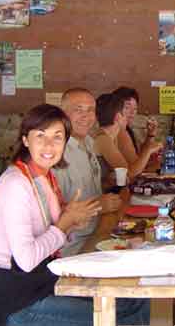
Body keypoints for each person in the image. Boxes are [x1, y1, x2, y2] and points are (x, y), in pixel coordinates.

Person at [0, 104, 148, 325]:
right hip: (18, 299)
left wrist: (73, 221)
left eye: (57, 137)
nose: (49, 145)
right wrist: (64, 225)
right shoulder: (15, 184)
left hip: (43, 281)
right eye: (40, 136)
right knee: (119, 315)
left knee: (137, 298)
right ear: (25, 140)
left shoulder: (44, 177)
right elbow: (26, 260)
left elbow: (53, 233)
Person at [52, 88, 123, 256]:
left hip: (98, 231)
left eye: (91, 110)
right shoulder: (56, 153)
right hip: (73, 247)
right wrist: (98, 206)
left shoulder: (89, 142)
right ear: (63, 114)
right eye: (78, 110)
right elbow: (51, 214)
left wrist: (106, 183)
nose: (86, 116)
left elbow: (86, 187)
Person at [93, 93, 162, 186]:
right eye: (126, 112)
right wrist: (148, 150)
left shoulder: (111, 136)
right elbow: (128, 173)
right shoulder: (103, 139)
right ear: (118, 117)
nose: (131, 115)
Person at [112, 86, 158, 164]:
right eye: (127, 107)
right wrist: (149, 151)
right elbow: (134, 167)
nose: (132, 112)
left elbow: (138, 157)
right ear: (114, 107)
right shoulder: (118, 132)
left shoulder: (127, 129)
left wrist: (150, 134)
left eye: (135, 109)